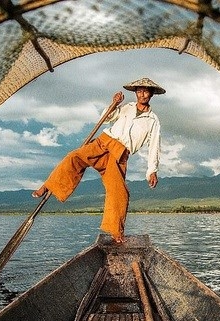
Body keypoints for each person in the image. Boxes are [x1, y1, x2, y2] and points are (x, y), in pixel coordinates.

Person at [32, 77, 165, 244]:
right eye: (139, 91)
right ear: (136, 93)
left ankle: (117, 232)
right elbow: (107, 118)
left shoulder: (153, 120)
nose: (142, 94)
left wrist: (152, 170)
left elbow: (154, 145)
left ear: (151, 94)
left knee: (120, 192)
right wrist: (113, 104)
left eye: (146, 91)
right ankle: (47, 186)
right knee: (74, 157)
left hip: (120, 154)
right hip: (104, 142)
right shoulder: (127, 108)